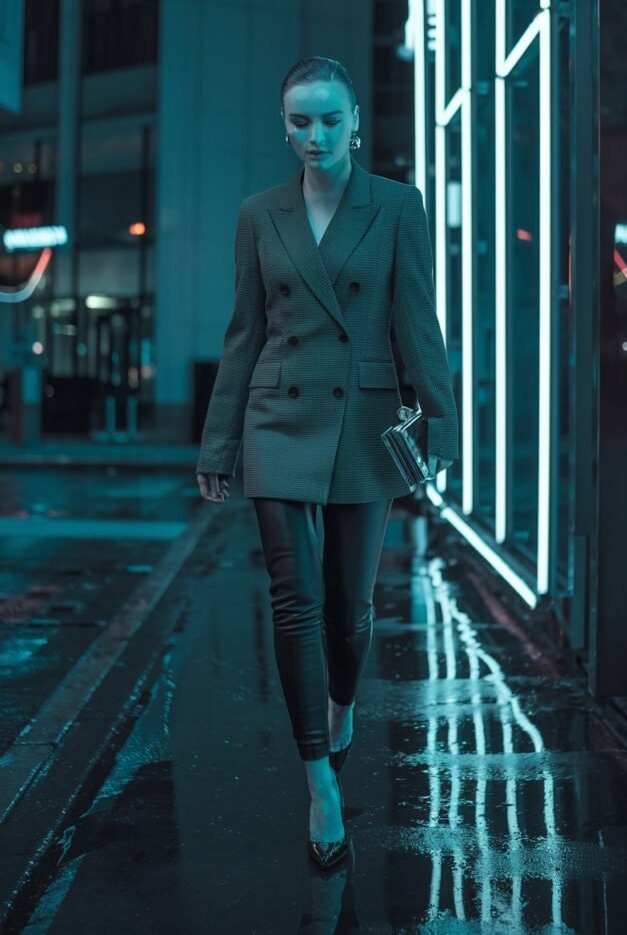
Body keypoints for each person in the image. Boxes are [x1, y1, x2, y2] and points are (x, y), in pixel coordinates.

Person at [196, 56, 458, 869]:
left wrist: (439, 426)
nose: (315, 135)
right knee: (294, 601)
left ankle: (342, 704)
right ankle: (319, 782)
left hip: (364, 416)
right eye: (300, 121)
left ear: (355, 123)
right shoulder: (258, 213)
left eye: (329, 120)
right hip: (278, 415)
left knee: (349, 611)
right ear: (284, 126)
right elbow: (245, 332)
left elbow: (416, 318)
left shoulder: (397, 206)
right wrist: (220, 442)